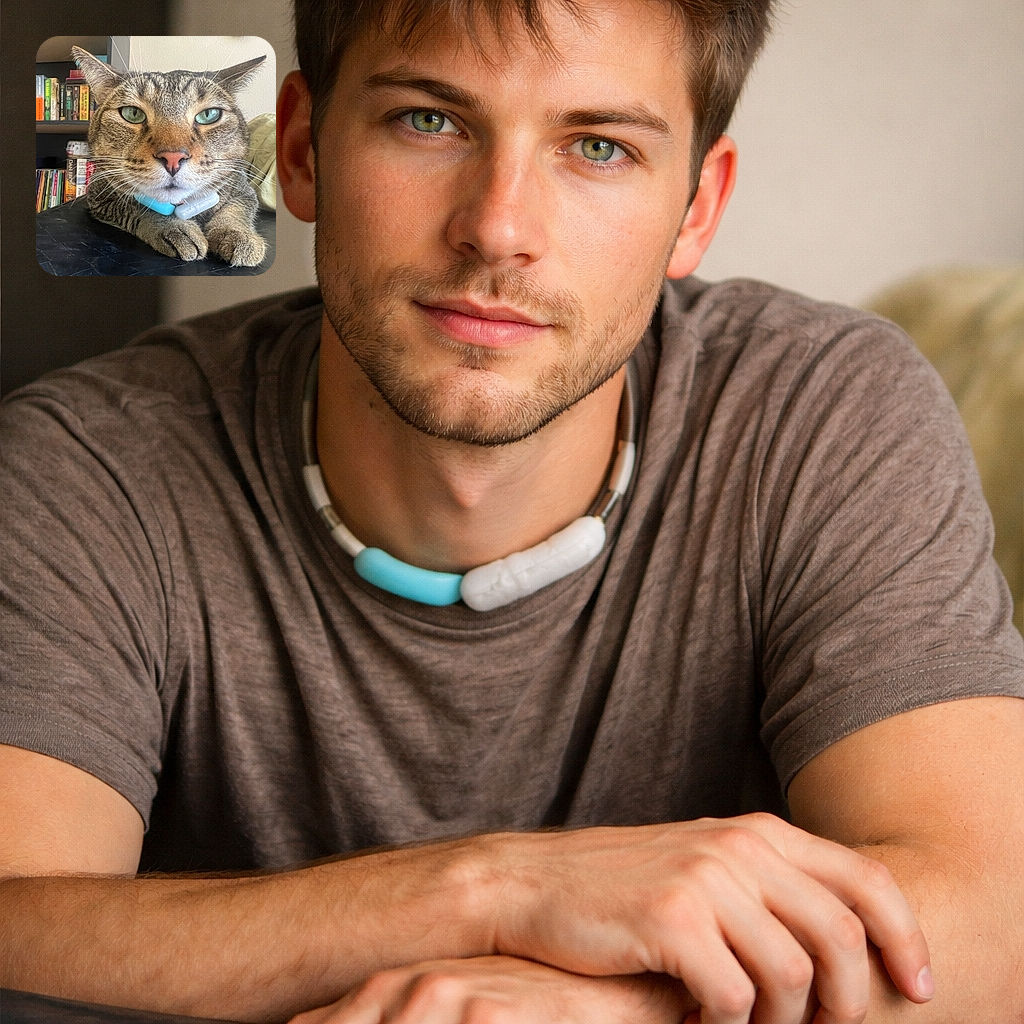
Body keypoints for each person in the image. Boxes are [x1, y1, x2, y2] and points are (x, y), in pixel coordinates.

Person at [1, 1, 1022, 1021]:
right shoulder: (85, 459)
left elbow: (994, 928)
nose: (497, 227)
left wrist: (597, 1011)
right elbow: (18, 925)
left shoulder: (823, 412)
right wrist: (491, 893)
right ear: (302, 150)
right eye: (428, 121)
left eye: (596, 146)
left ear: (697, 208)